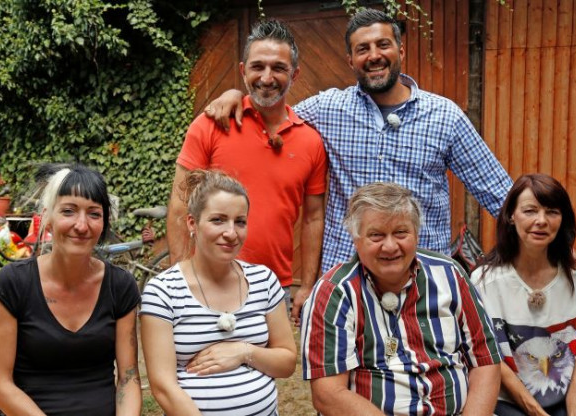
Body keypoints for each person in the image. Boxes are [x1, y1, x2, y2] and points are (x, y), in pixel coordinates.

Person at [205, 9, 512, 277]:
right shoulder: (328, 109)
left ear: (401, 51)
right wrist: (235, 95)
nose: (374, 55)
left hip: (422, 278)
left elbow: (502, 196)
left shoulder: (445, 116)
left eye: (383, 45)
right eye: (362, 49)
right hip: (346, 281)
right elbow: (273, 114)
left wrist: (516, 270)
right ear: (350, 60)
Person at [167, 19, 327, 324]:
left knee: (270, 356)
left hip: (273, 288)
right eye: (257, 67)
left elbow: (313, 218)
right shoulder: (211, 124)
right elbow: (179, 202)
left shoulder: (311, 141)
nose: (266, 78)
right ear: (243, 70)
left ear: (295, 74)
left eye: (278, 68)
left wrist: (307, 285)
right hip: (207, 280)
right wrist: (180, 275)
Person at [300, 182, 501, 415]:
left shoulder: (450, 275)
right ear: (356, 239)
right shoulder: (334, 292)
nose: (390, 246)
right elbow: (328, 394)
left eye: (400, 233)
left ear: (416, 234)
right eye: (376, 235)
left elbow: (485, 361)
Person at [0, 164, 141, 416]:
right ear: (47, 218)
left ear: (104, 223)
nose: (82, 225)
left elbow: (128, 378)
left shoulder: (120, 287)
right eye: (68, 211)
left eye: (94, 214)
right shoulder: (12, 284)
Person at [142, 170, 296, 415]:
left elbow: (287, 363)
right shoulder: (163, 291)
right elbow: (163, 387)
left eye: (240, 221)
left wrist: (244, 352)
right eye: (218, 220)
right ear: (192, 223)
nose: (231, 233)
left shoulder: (264, 281)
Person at [471, 174, 576, 416]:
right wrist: (537, 412)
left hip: (559, 400)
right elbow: (491, 359)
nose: (541, 221)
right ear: (511, 216)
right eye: (530, 211)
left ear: (562, 219)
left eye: (552, 212)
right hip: (504, 401)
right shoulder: (483, 283)